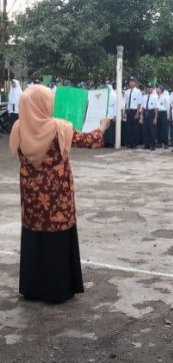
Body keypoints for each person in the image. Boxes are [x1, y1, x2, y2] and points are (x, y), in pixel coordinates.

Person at [9, 85, 110, 303]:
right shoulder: (58, 128)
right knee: (57, 237)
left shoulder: (18, 127)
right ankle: (56, 290)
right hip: (57, 199)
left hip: (31, 198)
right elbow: (88, 141)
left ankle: (33, 288)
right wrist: (101, 128)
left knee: (34, 236)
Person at [124, 76, 142, 149]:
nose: (130, 83)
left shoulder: (138, 92)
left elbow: (139, 103)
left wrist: (137, 113)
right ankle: (129, 143)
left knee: (135, 128)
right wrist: (125, 112)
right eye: (130, 81)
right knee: (129, 128)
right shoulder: (127, 92)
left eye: (132, 81)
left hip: (135, 110)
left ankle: (135, 143)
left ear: (135, 83)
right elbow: (126, 103)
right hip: (129, 110)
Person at [141, 83, 159, 151]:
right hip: (145, 112)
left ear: (152, 89)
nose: (149, 89)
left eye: (150, 88)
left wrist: (155, 118)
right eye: (148, 87)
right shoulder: (144, 96)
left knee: (152, 130)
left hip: (152, 113)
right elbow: (142, 107)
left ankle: (153, 144)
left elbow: (156, 108)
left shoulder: (155, 97)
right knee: (146, 130)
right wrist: (141, 116)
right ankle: (147, 144)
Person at [156, 83, 169, 149]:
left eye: (157, 88)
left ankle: (166, 143)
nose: (156, 89)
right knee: (158, 128)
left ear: (160, 89)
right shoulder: (156, 96)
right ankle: (159, 142)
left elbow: (167, 107)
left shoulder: (165, 97)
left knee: (164, 129)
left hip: (164, 113)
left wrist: (168, 116)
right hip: (158, 113)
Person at [103, 82, 117, 148]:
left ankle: (111, 143)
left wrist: (115, 115)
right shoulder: (105, 94)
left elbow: (115, 106)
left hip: (111, 113)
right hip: (105, 113)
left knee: (111, 129)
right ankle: (106, 142)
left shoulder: (114, 94)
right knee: (106, 129)